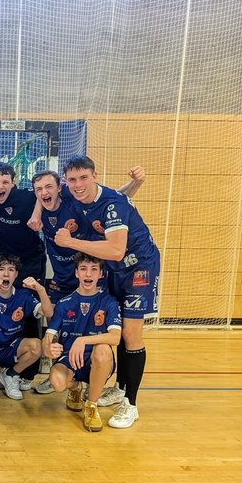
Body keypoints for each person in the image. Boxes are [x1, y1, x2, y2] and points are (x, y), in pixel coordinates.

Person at [54, 155, 159, 428]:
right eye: (72, 180)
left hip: (139, 266)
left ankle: (131, 404)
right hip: (114, 269)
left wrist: (70, 241)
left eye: (83, 178)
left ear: (95, 175)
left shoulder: (113, 204)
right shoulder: (76, 194)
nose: (78, 185)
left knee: (131, 334)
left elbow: (115, 249)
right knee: (119, 329)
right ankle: (120, 388)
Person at [30, 166, 145, 396]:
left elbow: (112, 200)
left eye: (49, 187)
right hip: (62, 278)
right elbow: (42, 195)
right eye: (39, 189)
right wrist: (36, 211)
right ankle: (63, 373)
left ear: (60, 188)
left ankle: (96, 376)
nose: (44, 192)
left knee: (96, 326)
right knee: (56, 327)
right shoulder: (42, 205)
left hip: (85, 274)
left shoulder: (74, 201)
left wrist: (136, 184)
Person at [42, 253, 122, 432]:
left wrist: (83, 340)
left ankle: (91, 406)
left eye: (94, 269)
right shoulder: (64, 303)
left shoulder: (109, 302)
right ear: (77, 273)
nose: (88, 274)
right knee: (57, 382)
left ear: (101, 274)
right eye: (83, 269)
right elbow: (48, 338)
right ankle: (76, 388)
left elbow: (115, 337)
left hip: (96, 360)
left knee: (103, 349)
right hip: (69, 358)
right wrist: (48, 349)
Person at [0, 162, 49, 389]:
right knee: (3, 309)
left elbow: (44, 196)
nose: (0, 186)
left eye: (5, 182)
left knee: (31, 313)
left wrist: (37, 212)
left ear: (13, 183)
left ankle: (28, 373)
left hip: (31, 261)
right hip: (7, 261)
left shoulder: (25, 197)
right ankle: (4, 362)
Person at [0, 253, 53, 400]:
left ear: (16, 275)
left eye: (11, 269)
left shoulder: (23, 296)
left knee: (37, 346)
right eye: (1, 269)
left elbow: (48, 312)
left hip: (10, 349)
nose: (6, 274)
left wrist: (40, 289)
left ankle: (10, 374)